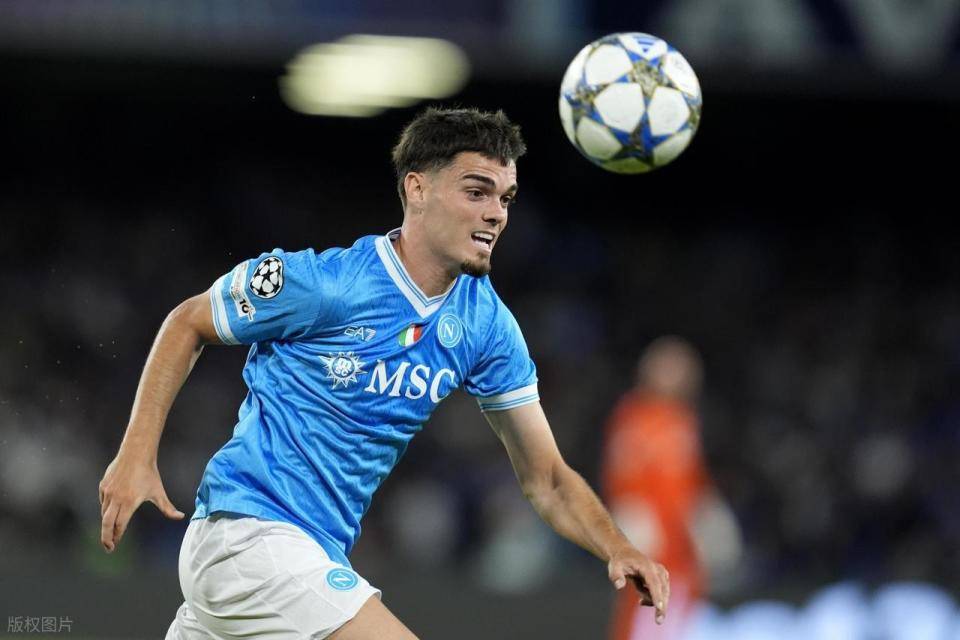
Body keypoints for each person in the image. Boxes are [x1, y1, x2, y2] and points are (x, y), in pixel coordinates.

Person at [98, 107, 670, 640]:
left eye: (505, 198)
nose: (496, 213)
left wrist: (617, 546)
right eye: (476, 192)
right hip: (249, 536)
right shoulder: (326, 284)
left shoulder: (485, 325)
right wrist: (136, 455)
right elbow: (188, 320)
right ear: (416, 189)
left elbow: (546, 478)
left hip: (307, 555)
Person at [603, 336, 740, 640]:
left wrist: (707, 512)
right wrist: (628, 515)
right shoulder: (633, 415)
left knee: (681, 618)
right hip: (652, 546)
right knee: (643, 616)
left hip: (683, 547)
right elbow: (621, 474)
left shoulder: (684, 418)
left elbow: (694, 477)